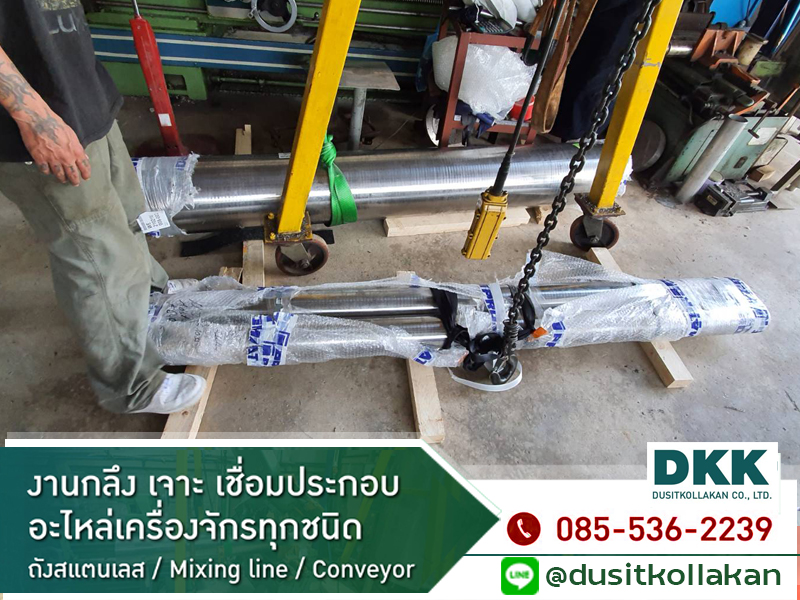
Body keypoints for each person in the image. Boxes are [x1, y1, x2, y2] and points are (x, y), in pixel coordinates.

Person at [0, 1, 206, 414]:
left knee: (128, 212)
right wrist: (35, 117)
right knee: (94, 253)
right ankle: (129, 385)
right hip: (33, 122)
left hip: (76, 94)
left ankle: (148, 300)